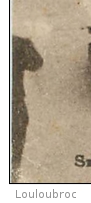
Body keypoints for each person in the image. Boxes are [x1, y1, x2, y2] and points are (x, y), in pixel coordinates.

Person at [12, 36, 43, 182]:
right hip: (14, 105)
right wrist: (28, 43)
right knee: (14, 151)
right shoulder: (16, 43)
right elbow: (36, 63)